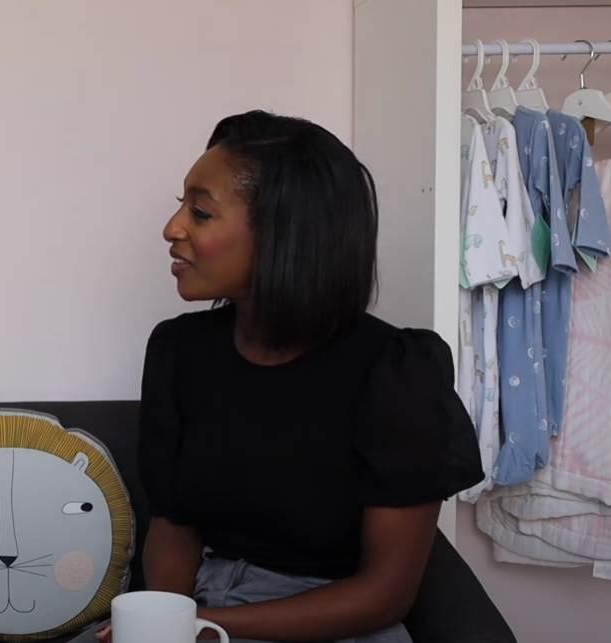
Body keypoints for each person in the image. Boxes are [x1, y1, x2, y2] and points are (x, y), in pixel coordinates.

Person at [98, 111, 483, 643]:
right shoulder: (179, 350)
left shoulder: (396, 370)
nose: (173, 228)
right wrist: (164, 625)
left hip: (332, 623)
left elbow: (387, 593)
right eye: (181, 205)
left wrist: (206, 628)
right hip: (201, 609)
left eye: (201, 212)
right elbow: (174, 523)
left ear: (284, 233)